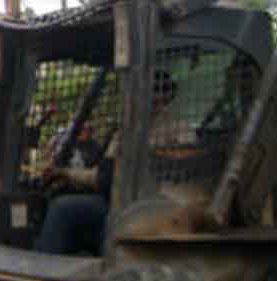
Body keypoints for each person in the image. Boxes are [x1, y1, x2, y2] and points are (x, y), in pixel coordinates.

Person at [33, 71, 189, 256]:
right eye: (148, 94)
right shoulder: (125, 131)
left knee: (66, 210)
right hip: (118, 200)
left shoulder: (179, 131)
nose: (154, 100)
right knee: (60, 204)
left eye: (158, 95)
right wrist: (66, 173)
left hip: (153, 205)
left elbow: (184, 170)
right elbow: (104, 176)